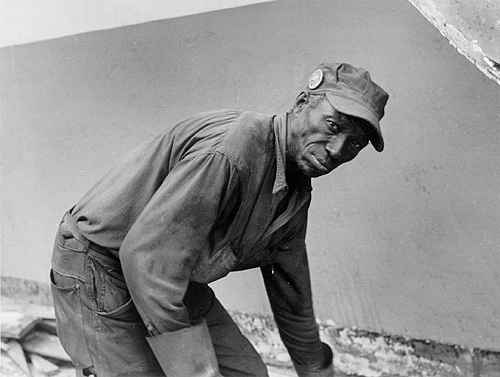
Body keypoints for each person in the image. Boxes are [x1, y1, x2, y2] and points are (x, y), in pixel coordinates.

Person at [50, 62, 389, 377]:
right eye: (333, 126)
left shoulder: (295, 192)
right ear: (302, 103)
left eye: (354, 143)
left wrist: (316, 369)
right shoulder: (232, 151)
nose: (337, 148)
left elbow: (291, 292)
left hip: (170, 275)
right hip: (100, 267)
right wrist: (195, 369)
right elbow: (146, 260)